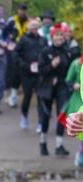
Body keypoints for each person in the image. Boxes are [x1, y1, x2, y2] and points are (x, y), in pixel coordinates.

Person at [36, 22, 72, 156]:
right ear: (52, 37)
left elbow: (69, 71)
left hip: (62, 87)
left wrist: (71, 84)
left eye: (61, 35)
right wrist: (52, 65)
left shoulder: (67, 52)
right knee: (45, 116)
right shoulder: (45, 52)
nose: (59, 37)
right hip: (47, 87)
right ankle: (43, 143)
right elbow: (41, 70)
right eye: (56, 35)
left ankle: (59, 145)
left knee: (61, 115)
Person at [15, 17, 46, 129]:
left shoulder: (43, 40)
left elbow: (47, 53)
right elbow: (16, 55)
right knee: (27, 96)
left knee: (40, 97)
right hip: (26, 73)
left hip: (39, 73)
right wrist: (25, 66)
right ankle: (24, 117)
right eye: (32, 26)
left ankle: (41, 122)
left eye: (36, 27)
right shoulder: (23, 39)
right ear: (28, 28)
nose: (34, 29)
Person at [5, 2, 28, 107]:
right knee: (12, 72)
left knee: (20, 72)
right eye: (20, 9)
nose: (22, 12)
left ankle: (13, 96)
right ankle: (10, 95)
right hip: (13, 49)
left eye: (24, 10)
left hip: (24, 50)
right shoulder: (11, 21)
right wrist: (9, 40)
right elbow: (4, 33)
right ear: (17, 10)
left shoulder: (28, 21)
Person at [63, 53, 83, 167]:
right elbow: (68, 80)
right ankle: (80, 154)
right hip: (77, 99)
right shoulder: (75, 64)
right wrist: (74, 85)